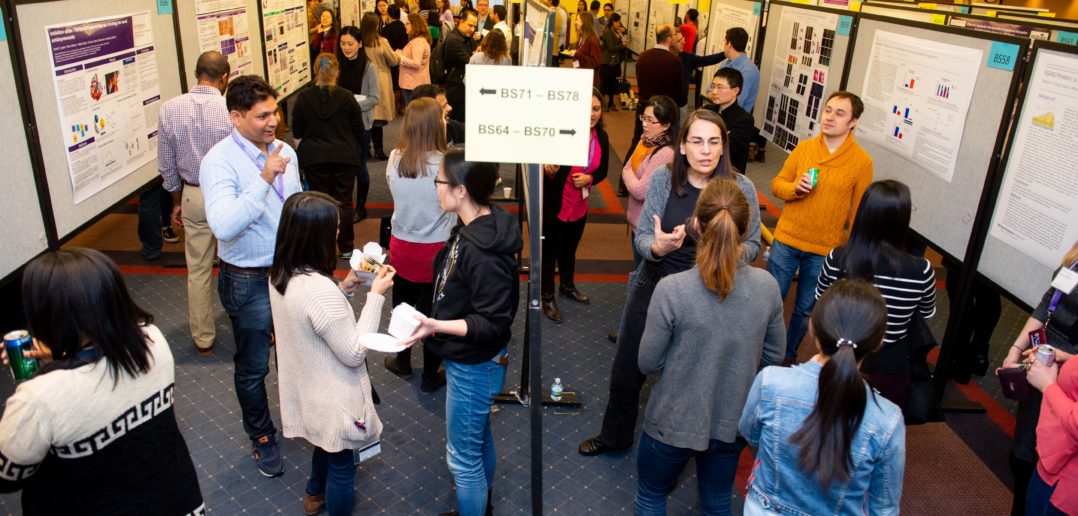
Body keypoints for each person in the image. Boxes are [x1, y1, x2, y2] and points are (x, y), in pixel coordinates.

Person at [579, 109, 761, 457]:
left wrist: (719, 248)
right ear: (682, 146)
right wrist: (658, 247)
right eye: (697, 141)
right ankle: (614, 436)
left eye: (713, 142)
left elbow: (752, 245)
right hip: (658, 281)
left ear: (723, 147)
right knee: (627, 367)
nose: (705, 150)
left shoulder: (742, 188)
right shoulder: (665, 179)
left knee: (692, 376)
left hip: (713, 293)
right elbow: (643, 237)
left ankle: (682, 450)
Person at [0, 249, 204, 514]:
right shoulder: (153, 342)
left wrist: (51, 370)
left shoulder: (37, 397)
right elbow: (102, 376)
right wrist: (61, 357)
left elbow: (6, 478)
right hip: (177, 499)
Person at [634, 180, 785, 515]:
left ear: (697, 225)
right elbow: (774, 358)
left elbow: (647, 362)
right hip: (733, 422)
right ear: (747, 232)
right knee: (717, 500)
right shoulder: (768, 287)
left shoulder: (672, 289)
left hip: (671, 419)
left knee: (651, 496)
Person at [400, 148, 523, 516]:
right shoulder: (476, 226)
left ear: (462, 190)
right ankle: (480, 507)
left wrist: (435, 325)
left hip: (475, 364)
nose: (435, 187)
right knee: (477, 438)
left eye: (440, 181)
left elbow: (493, 321)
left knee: (462, 458)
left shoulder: (484, 252)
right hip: (473, 361)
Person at [268, 192, 396, 516]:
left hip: (307, 389)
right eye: (335, 229)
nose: (338, 234)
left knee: (326, 444)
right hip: (335, 398)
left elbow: (312, 319)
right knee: (343, 466)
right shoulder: (317, 290)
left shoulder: (281, 273)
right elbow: (354, 351)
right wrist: (376, 297)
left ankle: (313, 494)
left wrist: (347, 287)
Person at [201, 74, 303, 478]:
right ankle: (262, 436)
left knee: (298, 353)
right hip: (248, 279)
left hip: (289, 271)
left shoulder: (285, 152)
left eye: (275, 111)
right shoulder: (219, 161)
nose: (272, 121)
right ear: (236, 117)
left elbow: (292, 206)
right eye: (262, 115)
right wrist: (263, 179)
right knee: (254, 366)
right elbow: (224, 226)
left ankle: (303, 418)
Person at [739, 278, 906, 515]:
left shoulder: (770, 382)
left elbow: (751, 435)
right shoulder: (887, 419)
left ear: (812, 327)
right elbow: (884, 508)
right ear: (879, 343)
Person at [768, 91, 873, 363]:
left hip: (824, 249)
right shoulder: (804, 149)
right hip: (787, 238)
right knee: (770, 301)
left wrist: (847, 248)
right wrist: (795, 188)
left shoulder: (861, 162)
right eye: (828, 110)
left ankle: (787, 357)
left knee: (805, 310)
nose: (829, 117)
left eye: (840, 113)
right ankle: (764, 351)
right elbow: (777, 185)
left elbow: (861, 211)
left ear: (853, 122)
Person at [814, 180, 935, 408]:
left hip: (836, 359)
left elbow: (821, 302)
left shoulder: (838, 259)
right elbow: (926, 315)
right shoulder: (921, 270)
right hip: (890, 368)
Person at [155, 51, 231, 356]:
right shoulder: (231, 109)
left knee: (198, 270)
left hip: (193, 194)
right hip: (228, 194)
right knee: (240, 264)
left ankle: (203, 339)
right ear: (224, 78)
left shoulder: (169, 109)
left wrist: (176, 199)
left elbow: (166, 162)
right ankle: (250, 325)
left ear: (196, 72)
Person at [382, 98, 457, 393]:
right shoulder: (446, 164)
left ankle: (401, 360)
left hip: (402, 246)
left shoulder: (394, 158)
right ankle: (429, 374)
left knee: (402, 306)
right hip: (435, 250)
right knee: (432, 314)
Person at [999, 240, 1078, 515]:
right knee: (1022, 453)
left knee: (1049, 457)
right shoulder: (1076, 253)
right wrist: (1016, 349)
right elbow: (1048, 302)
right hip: (1044, 352)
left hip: (1069, 371)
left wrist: (1064, 360)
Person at [540, 88, 609, 323]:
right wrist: (547, 170)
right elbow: (545, 166)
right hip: (556, 203)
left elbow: (603, 169)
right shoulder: (560, 133)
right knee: (549, 252)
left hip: (580, 203)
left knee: (569, 249)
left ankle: (567, 286)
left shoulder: (602, 137)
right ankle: (547, 296)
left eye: (596, 109)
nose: (591, 114)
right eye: (586, 108)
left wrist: (591, 178)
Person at [292, 53, 368, 258]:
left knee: (320, 202)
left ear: (315, 72)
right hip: (344, 156)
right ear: (337, 72)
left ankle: (323, 247)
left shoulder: (303, 98)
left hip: (314, 158)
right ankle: (346, 247)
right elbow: (359, 130)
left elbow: (297, 134)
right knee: (343, 201)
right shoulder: (347, 97)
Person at [618, 24, 683, 196]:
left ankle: (623, 185)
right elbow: (681, 93)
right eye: (675, 35)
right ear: (668, 38)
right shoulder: (674, 61)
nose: (677, 38)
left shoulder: (643, 57)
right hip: (664, 113)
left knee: (637, 143)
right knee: (666, 147)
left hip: (644, 107)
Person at [620, 94, 678, 269]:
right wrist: (628, 172)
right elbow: (625, 168)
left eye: (650, 120)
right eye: (643, 118)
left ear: (666, 125)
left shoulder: (666, 152)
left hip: (649, 229)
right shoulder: (645, 140)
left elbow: (639, 191)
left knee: (644, 278)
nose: (644, 124)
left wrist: (627, 173)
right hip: (637, 221)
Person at [361, 12, 400, 161]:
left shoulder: (359, 41)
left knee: (366, 115)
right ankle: (379, 149)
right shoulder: (381, 42)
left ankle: (365, 149)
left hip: (363, 79)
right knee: (377, 117)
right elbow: (393, 60)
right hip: (380, 78)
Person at [703, 68, 755, 173]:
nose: (714, 91)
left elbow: (727, 149)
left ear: (735, 91)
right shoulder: (707, 110)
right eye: (713, 86)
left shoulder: (744, 119)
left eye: (720, 87)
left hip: (727, 174)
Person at [444, 9, 479, 123]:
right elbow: (470, 61)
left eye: (474, 26)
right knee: (456, 122)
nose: (472, 29)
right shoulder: (453, 40)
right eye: (470, 25)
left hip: (462, 84)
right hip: (456, 87)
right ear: (461, 21)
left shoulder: (467, 37)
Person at [397, 13, 432, 105]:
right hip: (415, 83)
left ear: (414, 25)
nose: (405, 26)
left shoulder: (418, 42)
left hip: (413, 85)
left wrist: (401, 57)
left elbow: (416, 63)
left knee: (414, 114)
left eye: (407, 23)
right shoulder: (418, 40)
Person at [599, 13, 627, 111]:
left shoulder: (616, 31)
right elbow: (611, 47)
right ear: (613, 22)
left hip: (614, 61)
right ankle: (601, 103)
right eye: (618, 22)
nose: (619, 24)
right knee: (605, 83)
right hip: (607, 62)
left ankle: (611, 102)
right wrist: (622, 45)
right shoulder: (607, 32)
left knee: (612, 83)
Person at [574, 11, 601, 88]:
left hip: (589, 80)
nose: (575, 22)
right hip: (581, 76)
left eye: (577, 20)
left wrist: (578, 54)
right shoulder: (582, 37)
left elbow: (596, 62)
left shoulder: (592, 40)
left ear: (583, 22)